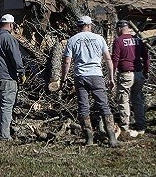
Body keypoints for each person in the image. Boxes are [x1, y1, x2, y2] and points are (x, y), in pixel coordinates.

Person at [62, 16, 118, 147]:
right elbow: (108, 59)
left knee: (83, 107)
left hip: (80, 76)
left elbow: (67, 61)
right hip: (96, 76)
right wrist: (111, 78)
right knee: (103, 105)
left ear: (79, 26)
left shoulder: (72, 40)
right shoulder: (99, 39)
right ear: (88, 25)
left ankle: (89, 139)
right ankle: (112, 138)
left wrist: (64, 78)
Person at [0, 13, 24, 140]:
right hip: (6, 77)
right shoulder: (8, 38)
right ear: (11, 24)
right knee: (6, 106)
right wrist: (21, 71)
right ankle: (4, 136)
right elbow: (16, 58)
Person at [111, 20, 149, 137]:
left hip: (126, 74)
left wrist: (111, 75)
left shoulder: (118, 41)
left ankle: (124, 127)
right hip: (138, 73)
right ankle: (141, 126)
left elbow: (115, 59)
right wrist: (146, 71)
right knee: (138, 99)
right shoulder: (137, 40)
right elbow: (147, 57)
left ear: (119, 29)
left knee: (123, 100)